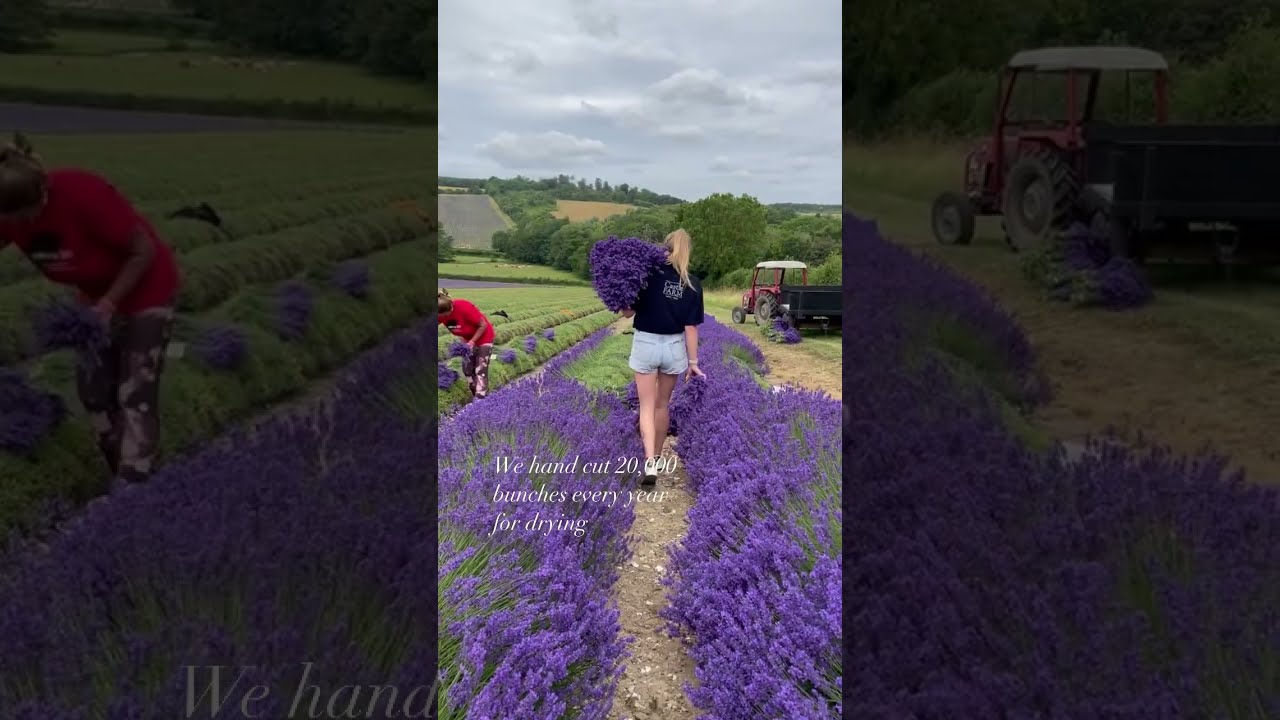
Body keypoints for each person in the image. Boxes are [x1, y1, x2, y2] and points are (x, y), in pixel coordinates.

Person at [0, 134, 181, 490]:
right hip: (92, 296)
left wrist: (109, 305)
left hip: (146, 288)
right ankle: (122, 469)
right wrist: (96, 305)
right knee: (95, 392)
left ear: (41, 195)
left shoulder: (83, 193)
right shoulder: (7, 207)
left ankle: (134, 484)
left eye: (23, 217)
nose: (18, 227)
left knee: (135, 387)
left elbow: (142, 251)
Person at [620, 228, 705, 486]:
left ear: (664, 247)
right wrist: (693, 363)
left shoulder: (645, 276)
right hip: (673, 346)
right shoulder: (692, 283)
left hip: (645, 341)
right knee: (662, 405)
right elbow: (691, 327)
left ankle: (648, 463)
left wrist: (619, 295)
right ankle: (656, 458)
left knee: (645, 406)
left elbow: (626, 313)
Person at [439, 289, 495, 400]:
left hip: (484, 337)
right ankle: (478, 395)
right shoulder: (440, 312)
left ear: (450, 308)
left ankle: (480, 401)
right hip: (466, 340)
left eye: (444, 315)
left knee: (480, 368)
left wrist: (472, 342)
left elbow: (482, 325)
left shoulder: (464, 307)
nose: (443, 318)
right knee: (468, 370)